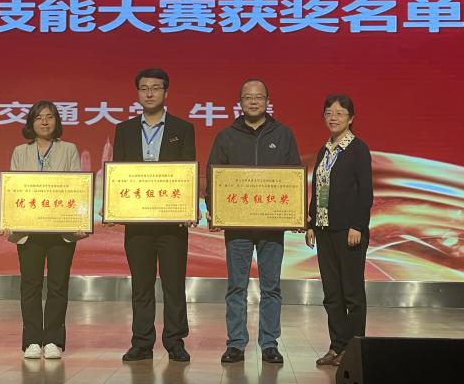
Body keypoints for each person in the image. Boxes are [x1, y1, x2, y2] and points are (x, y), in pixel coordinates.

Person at [206, 78, 301, 365]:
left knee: (271, 287)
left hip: (272, 227)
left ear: (267, 101)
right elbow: (213, 177)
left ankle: (269, 343)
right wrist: (214, 209)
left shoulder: (283, 134)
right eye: (248, 97)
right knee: (237, 286)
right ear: (240, 102)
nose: (254, 101)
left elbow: (293, 177)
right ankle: (236, 343)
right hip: (238, 228)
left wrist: (296, 212)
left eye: (259, 97)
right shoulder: (226, 136)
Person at [112, 68, 196, 363]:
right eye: (144, 88)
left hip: (172, 224)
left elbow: (187, 172)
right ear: (138, 93)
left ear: (166, 92)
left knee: (174, 284)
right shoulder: (124, 130)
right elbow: (118, 173)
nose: (149, 93)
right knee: (141, 284)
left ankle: (175, 341)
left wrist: (188, 208)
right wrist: (114, 205)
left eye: (156, 88)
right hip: (138, 223)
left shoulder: (183, 129)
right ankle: (142, 342)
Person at [2, 101, 85, 360]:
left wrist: (80, 222)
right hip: (29, 229)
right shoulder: (20, 152)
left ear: (57, 121)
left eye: (50, 117)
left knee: (58, 285)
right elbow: (14, 189)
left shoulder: (69, 149)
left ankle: (52, 340)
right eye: (39, 117)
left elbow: (77, 187)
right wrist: (8, 219)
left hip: (61, 229)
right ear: (31, 123)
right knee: (30, 285)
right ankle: (31, 341)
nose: (45, 122)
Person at [306, 94, 373, 367]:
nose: (333, 118)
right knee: (332, 294)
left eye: (339, 113)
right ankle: (336, 346)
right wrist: (311, 223)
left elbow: (365, 191)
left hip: (349, 231)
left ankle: (354, 349)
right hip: (324, 229)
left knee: (352, 294)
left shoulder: (358, 149)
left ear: (351, 118)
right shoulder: (324, 151)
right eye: (328, 113)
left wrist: (358, 225)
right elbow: (317, 188)